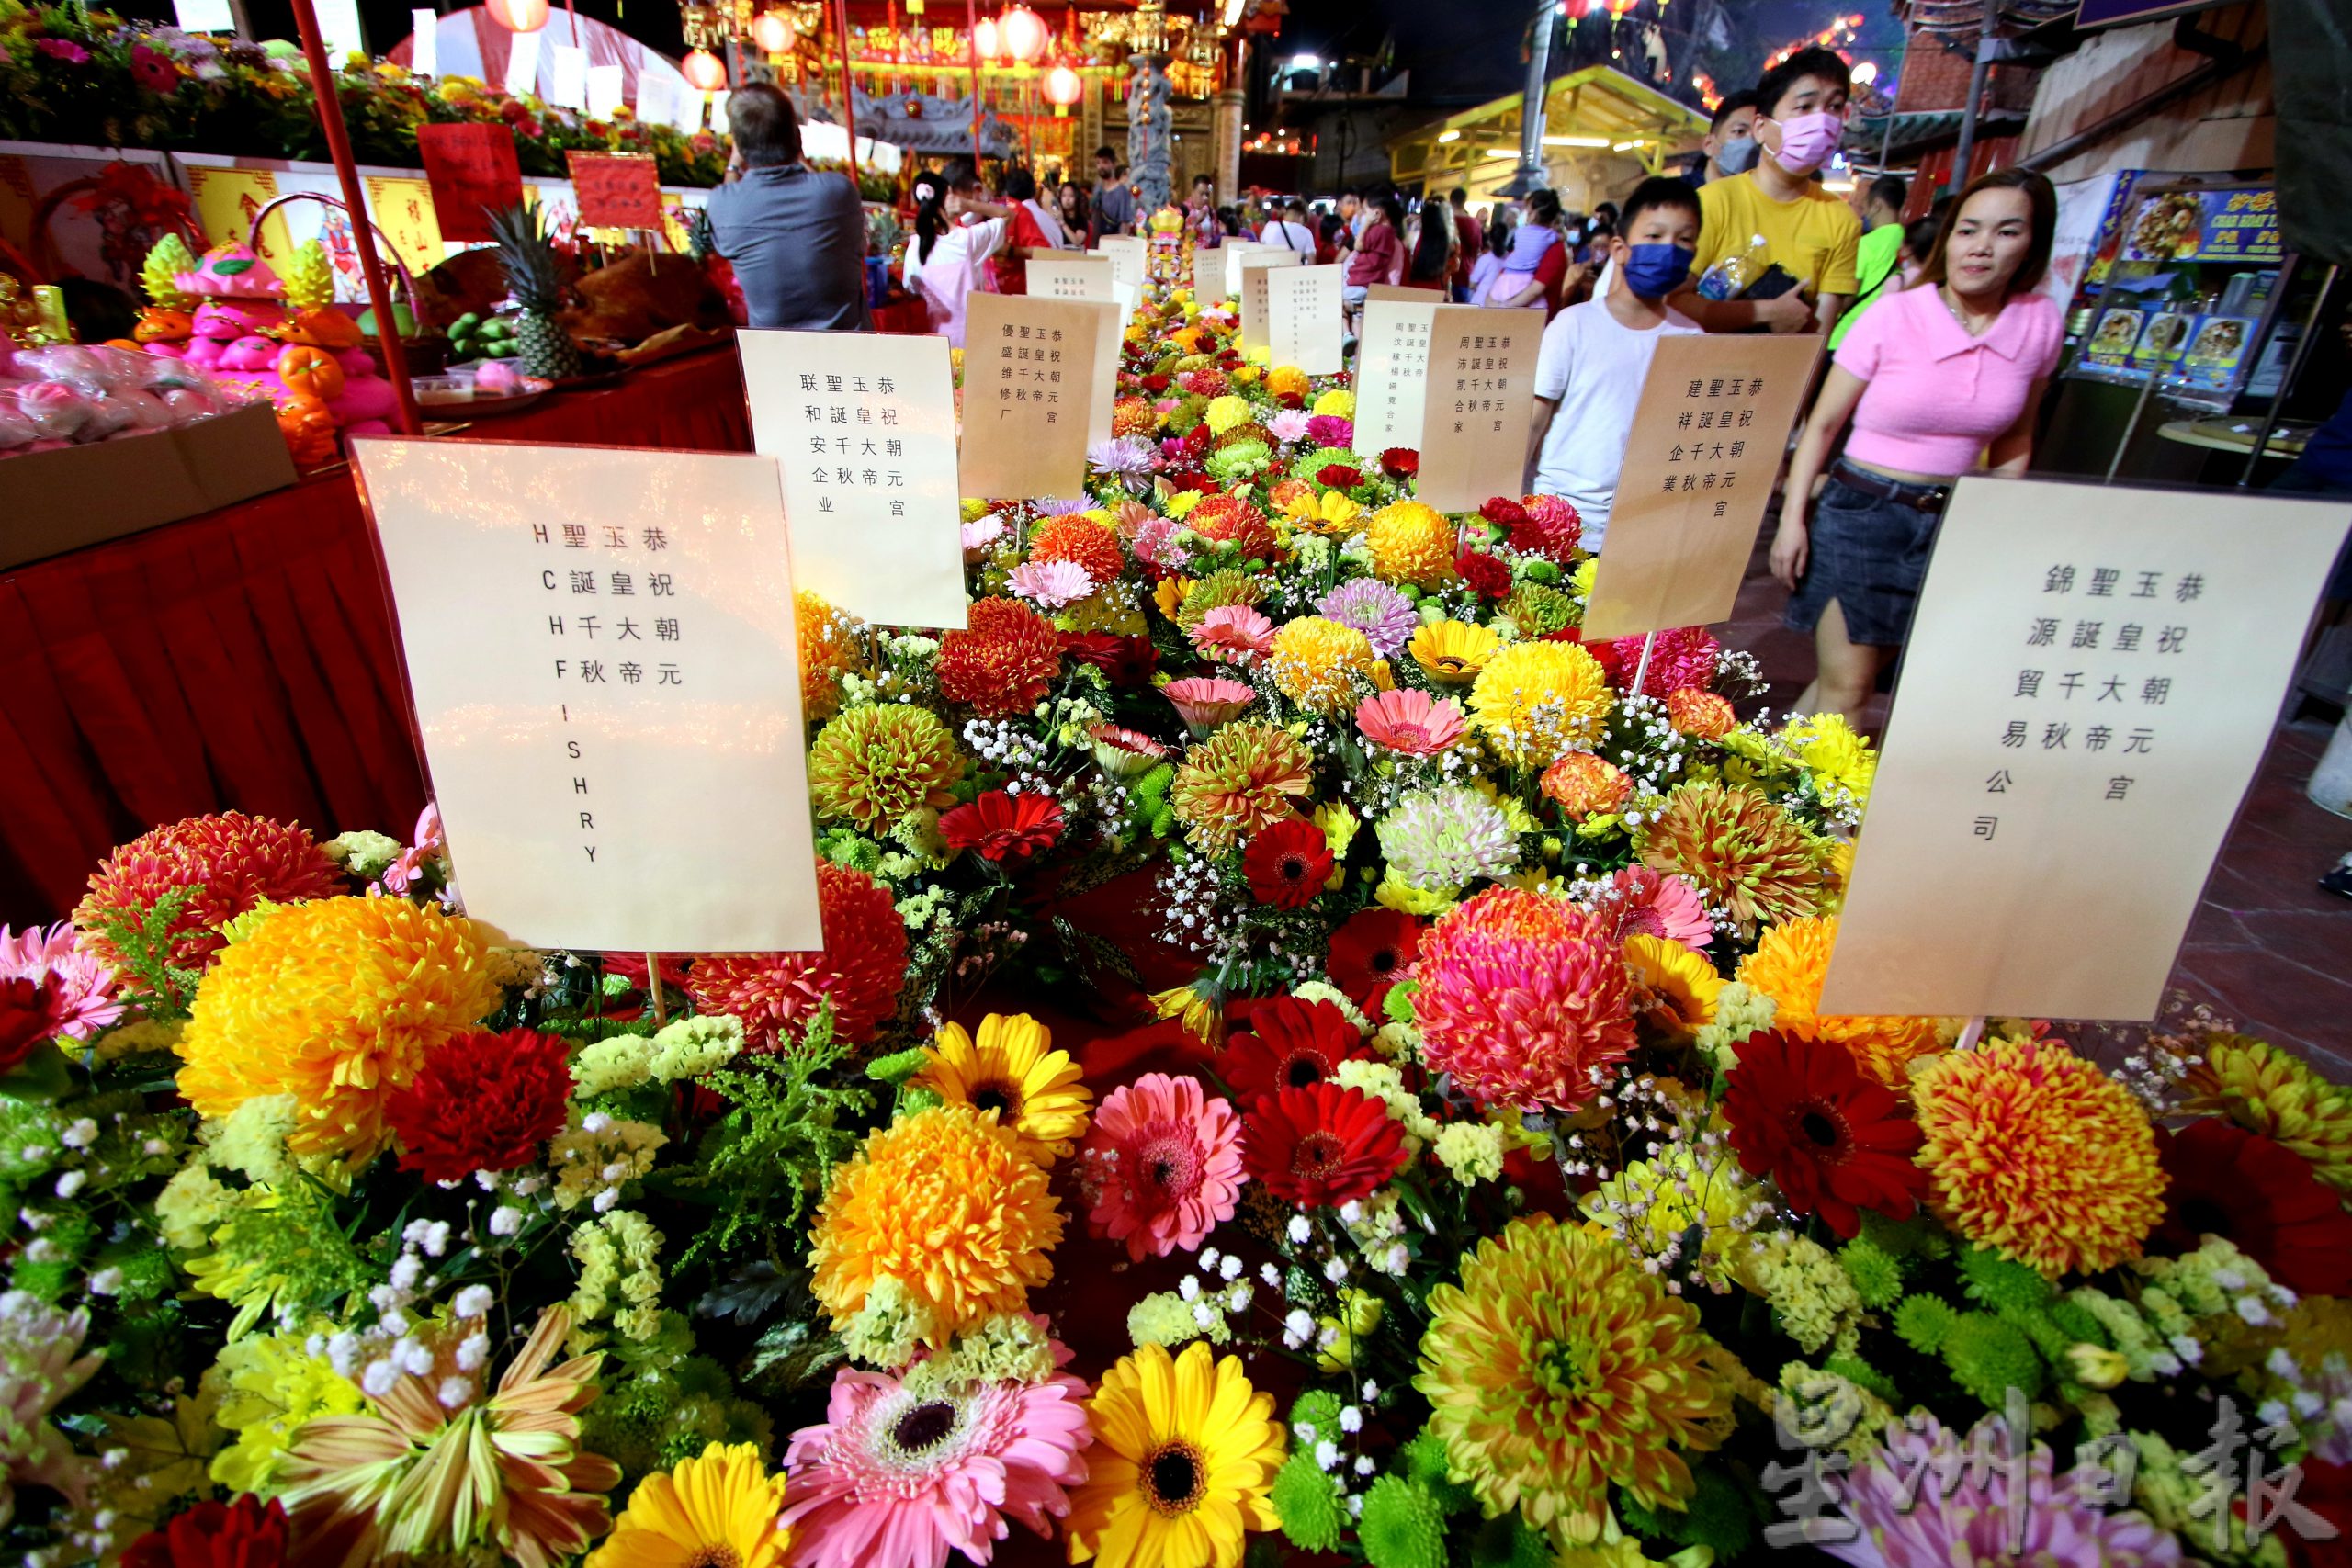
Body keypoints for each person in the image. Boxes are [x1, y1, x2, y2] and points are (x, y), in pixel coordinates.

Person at [1770, 167, 2063, 723]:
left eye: (2006, 232)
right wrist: (1792, 520)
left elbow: (2017, 435)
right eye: (1968, 230)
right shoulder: (1896, 313)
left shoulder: (2039, 323)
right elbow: (1824, 425)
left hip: (1952, 522)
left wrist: (1999, 527)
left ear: (2032, 244)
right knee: (1851, 687)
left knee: (1846, 683)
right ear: (1947, 237)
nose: (1981, 248)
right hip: (1862, 513)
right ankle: (1826, 811)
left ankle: (1765, 781)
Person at [1524, 176, 1704, 550]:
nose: (1669, 249)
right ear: (1620, 249)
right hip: (1559, 517)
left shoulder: (1692, 339)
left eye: (1684, 240)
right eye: (1654, 237)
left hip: (1638, 526)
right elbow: (1533, 421)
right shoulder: (1575, 324)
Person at [1674, 47, 1860, 334]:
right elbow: (1674, 304)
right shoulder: (1713, 201)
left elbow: (1820, 333)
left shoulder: (1841, 219)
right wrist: (1763, 313)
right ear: (1761, 127)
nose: (1821, 121)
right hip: (1702, 372)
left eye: (1834, 107)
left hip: (1778, 373)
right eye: (1805, 107)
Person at [703, 83, 867, 331]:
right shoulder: (837, 191)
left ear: (738, 143)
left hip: (773, 360)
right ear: (796, 135)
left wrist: (734, 164)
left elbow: (729, 195)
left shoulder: (723, 203)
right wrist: (800, 156)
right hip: (848, 357)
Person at [903, 158, 1010, 349]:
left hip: (937, 345)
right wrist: (969, 205)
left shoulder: (915, 247)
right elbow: (1007, 215)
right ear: (949, 195)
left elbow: (911, 289)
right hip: (974, 342)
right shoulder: (966, 241)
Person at [1826, 175, 1909, 350]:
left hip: (1847, 337)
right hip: (1881, 337)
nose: (1864, 213)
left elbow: (1848, 294)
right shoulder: (1907, 242)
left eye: (1865, 207)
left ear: (1877, 206)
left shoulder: (1866, 243)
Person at [1488, 188, 1575, 316]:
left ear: (1534, 213)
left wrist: (1500, 305)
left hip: (1530, 320)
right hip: (1517, 315)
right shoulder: (1549, 239)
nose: (1525, 212)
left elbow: (1536, 289)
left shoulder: (1555, 249)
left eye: (1527, 208)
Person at [1342, 195, 1404, 327]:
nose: (1361, 215)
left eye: (1365, 211)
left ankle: (1347, 334)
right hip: (1367, 297)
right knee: (1358, 321)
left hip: (1363, 295)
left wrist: (1366, 225)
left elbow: (1393, 280)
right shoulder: (1388, 237)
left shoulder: (1380, 236)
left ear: (1377, 213)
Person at [1700, 91, 1760, 184]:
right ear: (1709, 144)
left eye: (1757, 134)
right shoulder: (1673, 195)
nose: (1751, 143)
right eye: (1739, 131)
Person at [1404, 200, 1453, 292]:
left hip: (1415, 285)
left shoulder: (1417, 235)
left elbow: (1406, 254)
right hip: (1436, 287)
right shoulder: (1444, 238)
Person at [1449, 187, 1484, 301]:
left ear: (1451, 201)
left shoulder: (1447, 222)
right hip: (1468, 273)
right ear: (1465, 201)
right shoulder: (1474, 223)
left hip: (1448, 274)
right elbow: (1477, 250)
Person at [1091, 148, 1135, 238]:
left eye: (1105, 162)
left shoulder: (1124, 189)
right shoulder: (1097, 188)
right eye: (1098, 163)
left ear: (1113, 164)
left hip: (1114, 240)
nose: (1101, 166)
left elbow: (1125, 223)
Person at [1467, 217, 1509, 304]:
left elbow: (1471, 284)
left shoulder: (1485, 259)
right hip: (1500, 303)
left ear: (1490, 239)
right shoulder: (1510, 258)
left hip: (1480, 303)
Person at [1057, 180, 1091, 246]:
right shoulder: (1058, 215)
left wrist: (1062, 223)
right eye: (1064, 195)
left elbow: (1077, 241)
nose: (1067, 199)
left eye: (1071, 196)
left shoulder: (1081, 219)